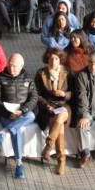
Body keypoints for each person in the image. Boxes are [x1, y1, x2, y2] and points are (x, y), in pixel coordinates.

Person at [0, 53, 38, 179]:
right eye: (9, 65)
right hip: (6, 113)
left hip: (22, 112)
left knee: (31, 116)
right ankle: (19, 163)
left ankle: (2, 133)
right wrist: (8, 113)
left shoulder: (28, 77)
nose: (11, 69)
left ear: (21, 66)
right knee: (15, 131)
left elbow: (34, 97)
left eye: (15, 66)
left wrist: (22, 110)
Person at [34, 47, 72, 175]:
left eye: (56, 59)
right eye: (51, 59)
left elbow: (74, 92)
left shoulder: (67, 72)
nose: (53, 61)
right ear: (47, 59)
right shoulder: (41, 73)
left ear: (60, 60)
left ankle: (48, 146)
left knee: (61, 116)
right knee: (59, 126)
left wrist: (64, 94)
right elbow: (37, 94)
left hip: (64, 105)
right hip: (48, 107)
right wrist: (46, 106)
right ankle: (61, 160)